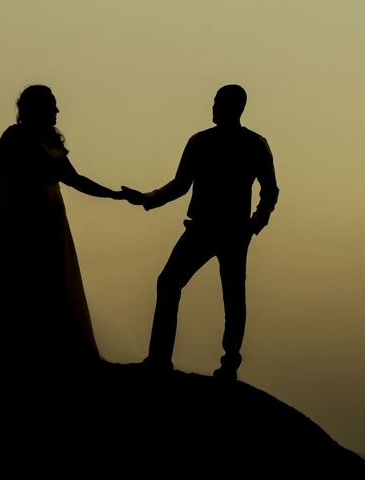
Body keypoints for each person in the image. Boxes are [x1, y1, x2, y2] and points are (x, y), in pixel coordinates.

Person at [0, 84, 122, 372]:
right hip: (22, 216)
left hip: (51, 218)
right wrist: (15, 215)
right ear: (37, 106)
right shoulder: (14, 137)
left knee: (50, 278)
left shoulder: (51, 141)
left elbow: (75, 179)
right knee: (14, 277)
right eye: (51, 104)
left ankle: (47, 347)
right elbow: (2, 178)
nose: (57, 110)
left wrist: (115, 194)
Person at [121, 84, 279, 381]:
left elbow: (270, 191)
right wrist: (148, 199)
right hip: (202, 227)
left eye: (219, 102)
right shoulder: (200, 142)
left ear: (236, 107)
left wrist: (256, 222)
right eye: (215, 101)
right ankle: (159, 358)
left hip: (233, 231)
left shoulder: (254, 144)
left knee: (232, 296)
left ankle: (229, 364)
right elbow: (181, 184)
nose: (214, 107)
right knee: (169, 282)